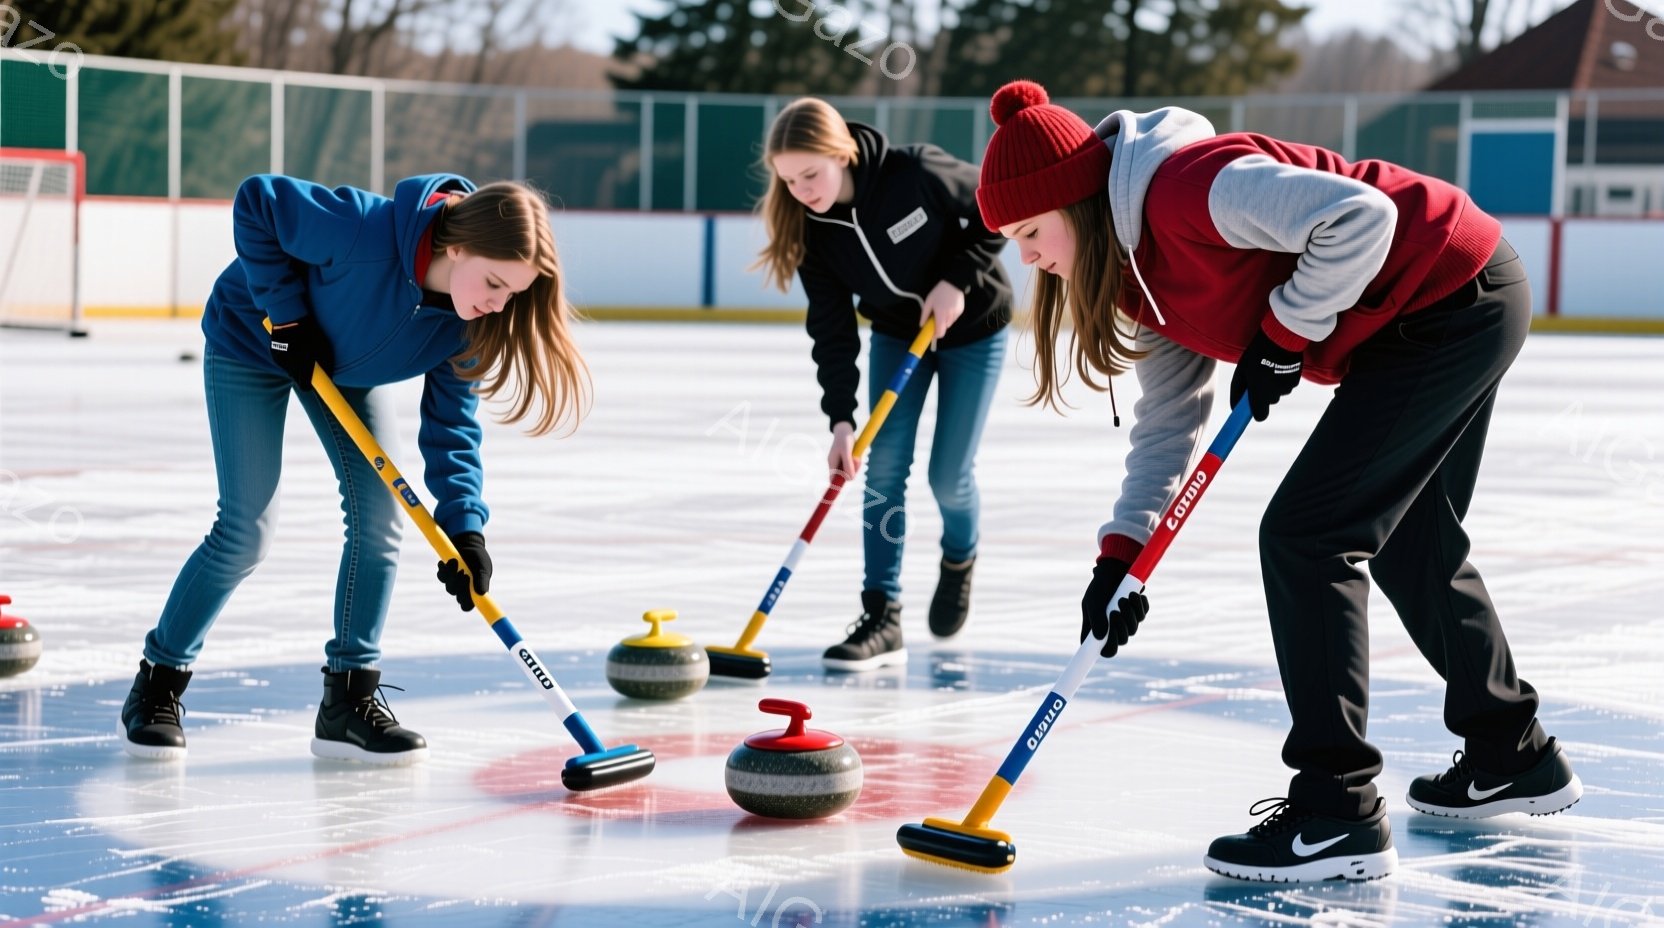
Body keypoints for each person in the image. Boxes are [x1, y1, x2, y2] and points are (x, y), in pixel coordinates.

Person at [974, 79, 1581, 881]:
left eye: (1030, 231)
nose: (1027, 257)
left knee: (1307, 535)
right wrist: (1121, 554)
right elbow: (1167, 422)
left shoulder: (1189, 188)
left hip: (1449, 294)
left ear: (1074, 202)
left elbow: (1362, 218)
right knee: (1407, 540)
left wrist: (1285, 330)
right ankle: (1512, 751)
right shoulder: (1133, 276)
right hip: (1429, 311)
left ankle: (1337, 808)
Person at [120, 173, 588, 766]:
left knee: (381, 520)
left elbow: (452, 429)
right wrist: (286, 317)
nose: (499, 302)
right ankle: (157, 685)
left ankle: (347, 702)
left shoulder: (469, 324)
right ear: (457, 245)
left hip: (344, 374)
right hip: (252, 339)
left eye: (511, 293)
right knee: (245, 531)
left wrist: (465, 529)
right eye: (494, 282)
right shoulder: (364, 229)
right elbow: (257, 202)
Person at [755, 98, 1014, 671]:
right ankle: (882, 614)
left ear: (841, 153)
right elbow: (832, 329)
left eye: (810, 174)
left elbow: (997, 208)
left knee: (948, 475)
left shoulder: (913, 171)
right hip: (900, 335)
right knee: (884, 468)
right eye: (789, 179)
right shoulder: (811, 231)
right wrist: (841, 421)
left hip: (973, 325)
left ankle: (958, 557)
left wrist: (956, 279)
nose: (801, 189)